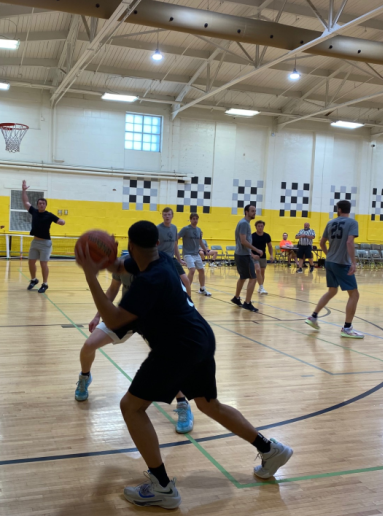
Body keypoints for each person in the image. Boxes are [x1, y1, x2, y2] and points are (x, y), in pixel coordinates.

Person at [76, 221, 293, 509]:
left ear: (130, 245)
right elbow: (122, 266)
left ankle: (162, 487)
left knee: (131, 406)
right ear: (156, 243)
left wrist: (91, 275)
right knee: (208, 404)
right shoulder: (161, 259)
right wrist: (105, 261)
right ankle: (270, 449)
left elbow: (114, 320)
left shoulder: (149, 281)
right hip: (199, 338)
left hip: (176, 349)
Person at [76, 255, 195, 434]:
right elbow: (112, 290)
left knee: (168, 361)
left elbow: (185, 284)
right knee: (89, 345)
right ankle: (84, 377)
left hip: (156, 319)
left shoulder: (166, 262)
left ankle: (183, 404)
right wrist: (97, 315)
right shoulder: (123, 263)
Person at [305, 200, 364, 339]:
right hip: (342, 263)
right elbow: (349, 242)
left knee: (332, 291)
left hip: (330, 262)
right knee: (354, 295)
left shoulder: (330, 223)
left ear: (338, 209)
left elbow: (321, 243)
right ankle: (347, 328)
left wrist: (329, 255)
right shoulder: (352, 223)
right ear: (349, 209)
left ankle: (313, 317)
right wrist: (353, 263)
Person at [21, 180, 65, 293]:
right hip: (35, 242)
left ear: (45, 205)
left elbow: (59, 220)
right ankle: (33, 279)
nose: (41, 205)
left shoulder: (49, 215)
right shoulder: (34, 212)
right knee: (31, 262)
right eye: (39, 203)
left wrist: (62, 221)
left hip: (45, 243)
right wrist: (23, 190)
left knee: (43, 263)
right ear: (37, 205)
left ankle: (45, 283)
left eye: (43, 203)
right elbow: (26, 202)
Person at [156, 208, 193, 299]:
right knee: (163, 282)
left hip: (171, 259)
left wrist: (179, 259)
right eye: (165, 215)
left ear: (172, 216)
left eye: (169, 214)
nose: (167, 216)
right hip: (161, 259)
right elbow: (154, 245)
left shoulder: (174, 228)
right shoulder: (157, 228)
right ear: (162, 216)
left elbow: (175, 244)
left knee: (186, 280)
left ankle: (189, 301)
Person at [232, 205, 263, 312]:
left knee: (243, 277)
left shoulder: (245, 223)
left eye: (255, 211)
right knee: (253, 278)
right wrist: (257, 250)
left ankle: (236, 298)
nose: (254, 212)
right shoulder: (244, 223)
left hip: (243, 254)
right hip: (243, 256)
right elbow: (243, 241)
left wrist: (251, 253)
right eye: (252, 211)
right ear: (246, 212)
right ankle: (247, 303)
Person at [178, 213, 211, 297]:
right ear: (190, 219)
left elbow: (200, 241)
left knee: (201, 270)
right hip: (187, 254)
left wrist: (205, 251)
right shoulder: (185, 229)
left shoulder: (199, 230)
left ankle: (202, 288)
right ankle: (186, 289)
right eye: (193, 219)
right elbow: (177, 237)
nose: (195, 220)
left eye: (196, 219)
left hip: (196, 254)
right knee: (192, 270)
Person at [251, 220, 273, 295]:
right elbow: (248, 247)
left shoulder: (267, 236)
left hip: (263, 257)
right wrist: (252, 255)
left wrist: (271, 255)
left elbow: (270, 247)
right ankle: (261, 287)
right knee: (257, 270)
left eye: (261, 226)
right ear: (256, 227)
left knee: (262, 272)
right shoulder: (252, 236)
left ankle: (261, 287)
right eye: (259, 226)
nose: (260, 228)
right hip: (254, 257)